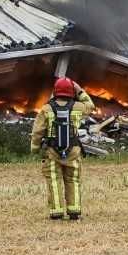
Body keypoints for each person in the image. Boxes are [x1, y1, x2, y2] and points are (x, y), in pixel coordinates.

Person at [30, 77, 95, 220]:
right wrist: (80, 90)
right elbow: (90, 105)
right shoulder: (78, 107)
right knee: (73, 180)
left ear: (55, 91)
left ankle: (57, 212)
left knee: (54, 180)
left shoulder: (46, 109)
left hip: (52, 152)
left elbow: (37, 131)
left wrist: (34, 148)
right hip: (73, 151)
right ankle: (74, 211)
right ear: (71, 92)